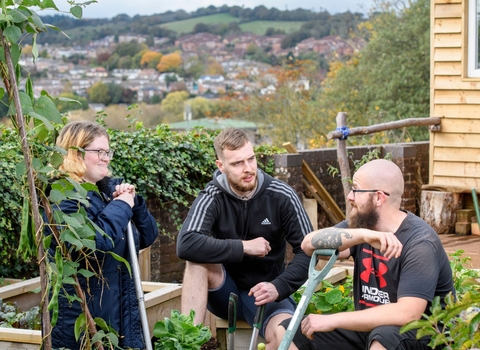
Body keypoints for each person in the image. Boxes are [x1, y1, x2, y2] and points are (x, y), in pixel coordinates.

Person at [279, 159, 455, 350]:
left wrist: (334, 319)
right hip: (374, 329)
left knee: (383, 337)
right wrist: (362, 235)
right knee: (288, 332)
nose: (349, 196)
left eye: (355, 189)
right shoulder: (363, 228)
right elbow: (308, 244)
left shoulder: (420, 243)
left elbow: (408, 314)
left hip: (427, 335)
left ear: (378, 198)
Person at [176, 128, 313, 348]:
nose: (248, 169)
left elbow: (308, 251)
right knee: (196, 262)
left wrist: (279, 286)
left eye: (251, 159)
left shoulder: (281, 195)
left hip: (266, 294)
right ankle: (187, 343)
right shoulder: (212, 196)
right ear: (221, 166)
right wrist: (243, 247)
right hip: (224, 292)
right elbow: (186, 243)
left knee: (286, 335)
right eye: (238, 163)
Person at [45, 120, 158, 349]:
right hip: (85, 322)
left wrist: (133, 204)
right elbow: (94, 243)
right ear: (74, 153)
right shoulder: (63, 197)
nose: (106, 157)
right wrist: (122, 206)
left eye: (108, 151)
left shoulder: (106, 194)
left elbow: (147, 236)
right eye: (99, 151)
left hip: (120, 314)